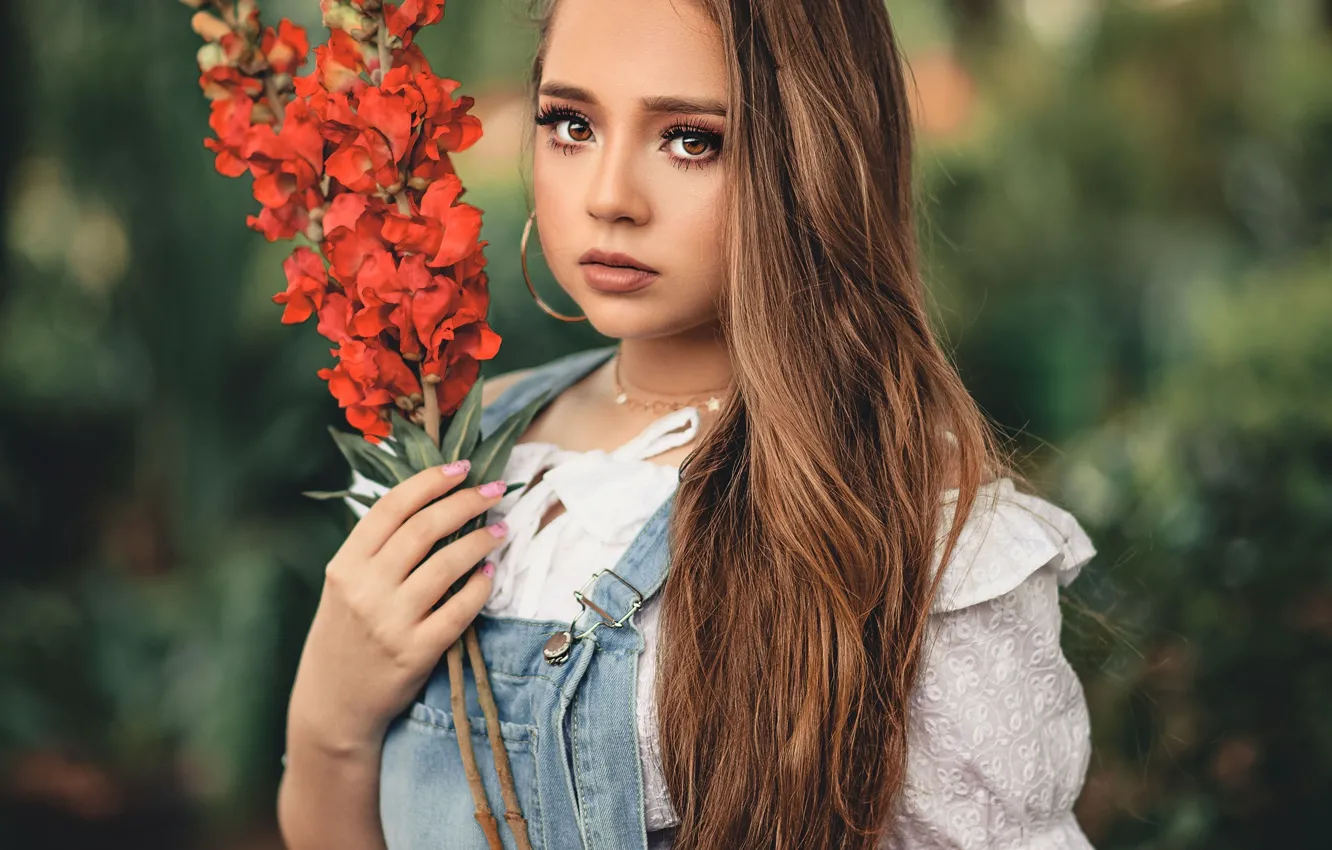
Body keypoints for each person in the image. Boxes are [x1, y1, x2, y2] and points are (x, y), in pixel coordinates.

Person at [276, 0, 1099, 848]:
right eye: (571, 125)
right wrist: (328, 725)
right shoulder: (466, 438)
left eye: (690, 140)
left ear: (815, 155)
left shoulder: (907, 518)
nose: (610, 197)